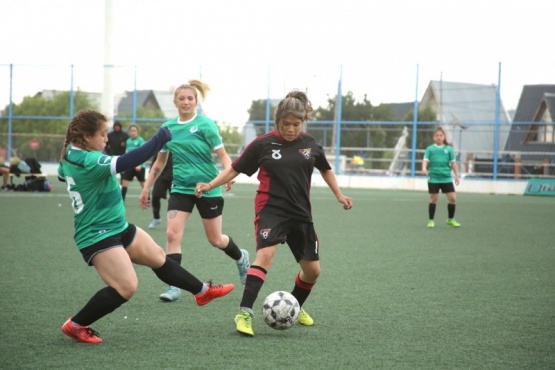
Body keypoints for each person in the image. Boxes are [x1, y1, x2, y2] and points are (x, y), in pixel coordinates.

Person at [58, 109, 234, 344]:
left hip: (116, 226)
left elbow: (62, 174)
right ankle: (76, 324)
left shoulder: (71, 154)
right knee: (127, 287)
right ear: (87, 137)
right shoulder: (89, 159)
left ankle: (202, 292)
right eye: (102, 134)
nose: (106, 139)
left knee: (158, 257)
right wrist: (159, 138)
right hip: (97, 234)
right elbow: (128, 161)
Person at [195, 90, 354, 337]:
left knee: (313, 271)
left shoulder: (310, 144)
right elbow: (235, 169)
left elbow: (326, 170)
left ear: (304, 122)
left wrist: (339, 195)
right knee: (265, 256)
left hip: (301, 214)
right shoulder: (262, 144)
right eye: (286, 124)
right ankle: (244, 312)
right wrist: (210, 185)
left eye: (296, 124)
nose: (291, 129)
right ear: (277, 120)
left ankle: (295, 305)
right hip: (271, 210)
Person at [139, 80, 250, 302]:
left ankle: (241, 257)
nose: (186, 102)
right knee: (172, 234)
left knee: (216, 239)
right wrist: (146, 187)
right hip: (180, 188)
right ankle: (173, 286)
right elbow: (159, 162)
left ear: (196, 102)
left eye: (190, 98)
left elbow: (222, 155)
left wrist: (229, 174)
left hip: (208, 188)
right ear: (175, 102)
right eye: (182, 98)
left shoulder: (206, 125)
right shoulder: (167, 129)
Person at [421, 126, 461, 228]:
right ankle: (431, 221)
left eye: (441, 135)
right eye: (437, 135)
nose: (439, 137)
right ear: (434, 138)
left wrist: (456, 175)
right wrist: (424, 168)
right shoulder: (430, 149)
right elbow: (425, 160)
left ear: (444, 137)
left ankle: (450, 220)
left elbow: (453, 164)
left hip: (446, 178)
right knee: (433, 199)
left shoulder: (449, 149)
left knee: (452, 199)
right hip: (434, 178)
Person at [121, 124, 146, 201]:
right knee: (124, 182)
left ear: (138, 132)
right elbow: (127, 153)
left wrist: (139, 164)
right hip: (130, 166)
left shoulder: (140, 140)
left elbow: (142, 153)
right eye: (131, 131)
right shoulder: (128, 141)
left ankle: (147, 199)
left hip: (139, 166)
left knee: (143, 184)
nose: (133, 132)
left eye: (134, 131)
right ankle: (122, 200)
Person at [148, 151, 173, 229]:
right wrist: (151, 173)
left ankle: (173, 221)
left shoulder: (178, 145)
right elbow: (156, 161)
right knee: (155, 196)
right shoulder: (162, 146)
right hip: (161, 176)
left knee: (174, 200)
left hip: (175, 176)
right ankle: (156, 218)